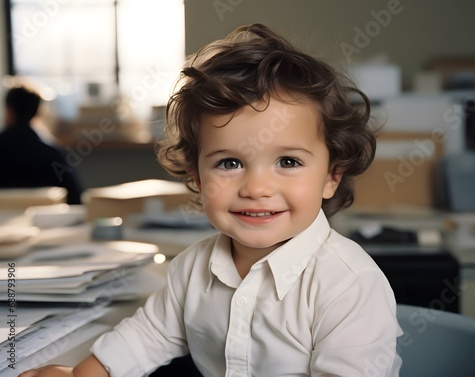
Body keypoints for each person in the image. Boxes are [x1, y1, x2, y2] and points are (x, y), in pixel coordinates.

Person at [19, 23, 402, 377]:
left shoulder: (349, 285)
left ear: (332, 177)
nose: (256, 187)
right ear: (197, 178)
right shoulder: (192, 270)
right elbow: (144, 337)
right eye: (230, 162)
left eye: (288, 161)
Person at [0, 83, 83, 204]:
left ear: (9, 110)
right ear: (38, 111)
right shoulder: (52, 154)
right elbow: (75, 200)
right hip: (46, 222)